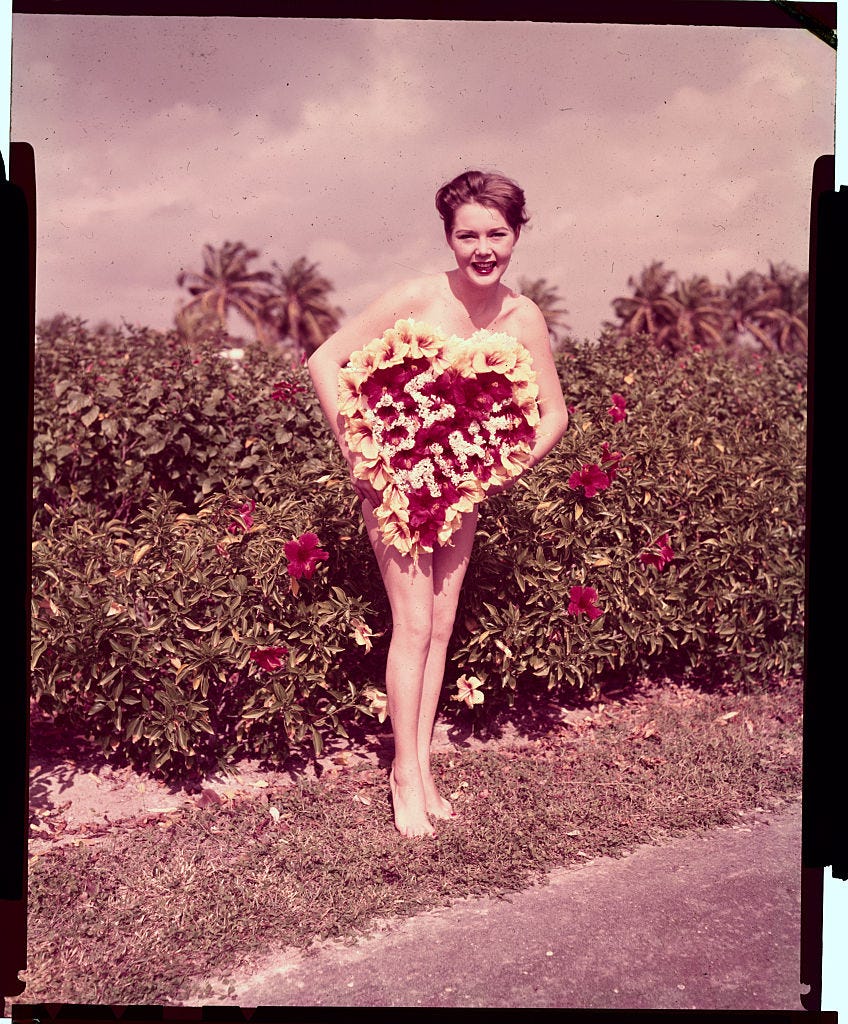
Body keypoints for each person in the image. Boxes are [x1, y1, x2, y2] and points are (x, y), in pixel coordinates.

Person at [308, 170, 569, 838]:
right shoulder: (417, 295)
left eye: (497, 234)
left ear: (517, 234)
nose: (483, 248)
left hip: (462, 489)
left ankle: (423, 769)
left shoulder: (523, 316)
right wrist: (359, 456)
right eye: (468, 234)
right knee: (416, 624)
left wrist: (493, 471)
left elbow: (554, 416)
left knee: (444, 625)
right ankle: (403, 777)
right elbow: (325, 361)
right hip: (391, 483)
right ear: (449, 237)